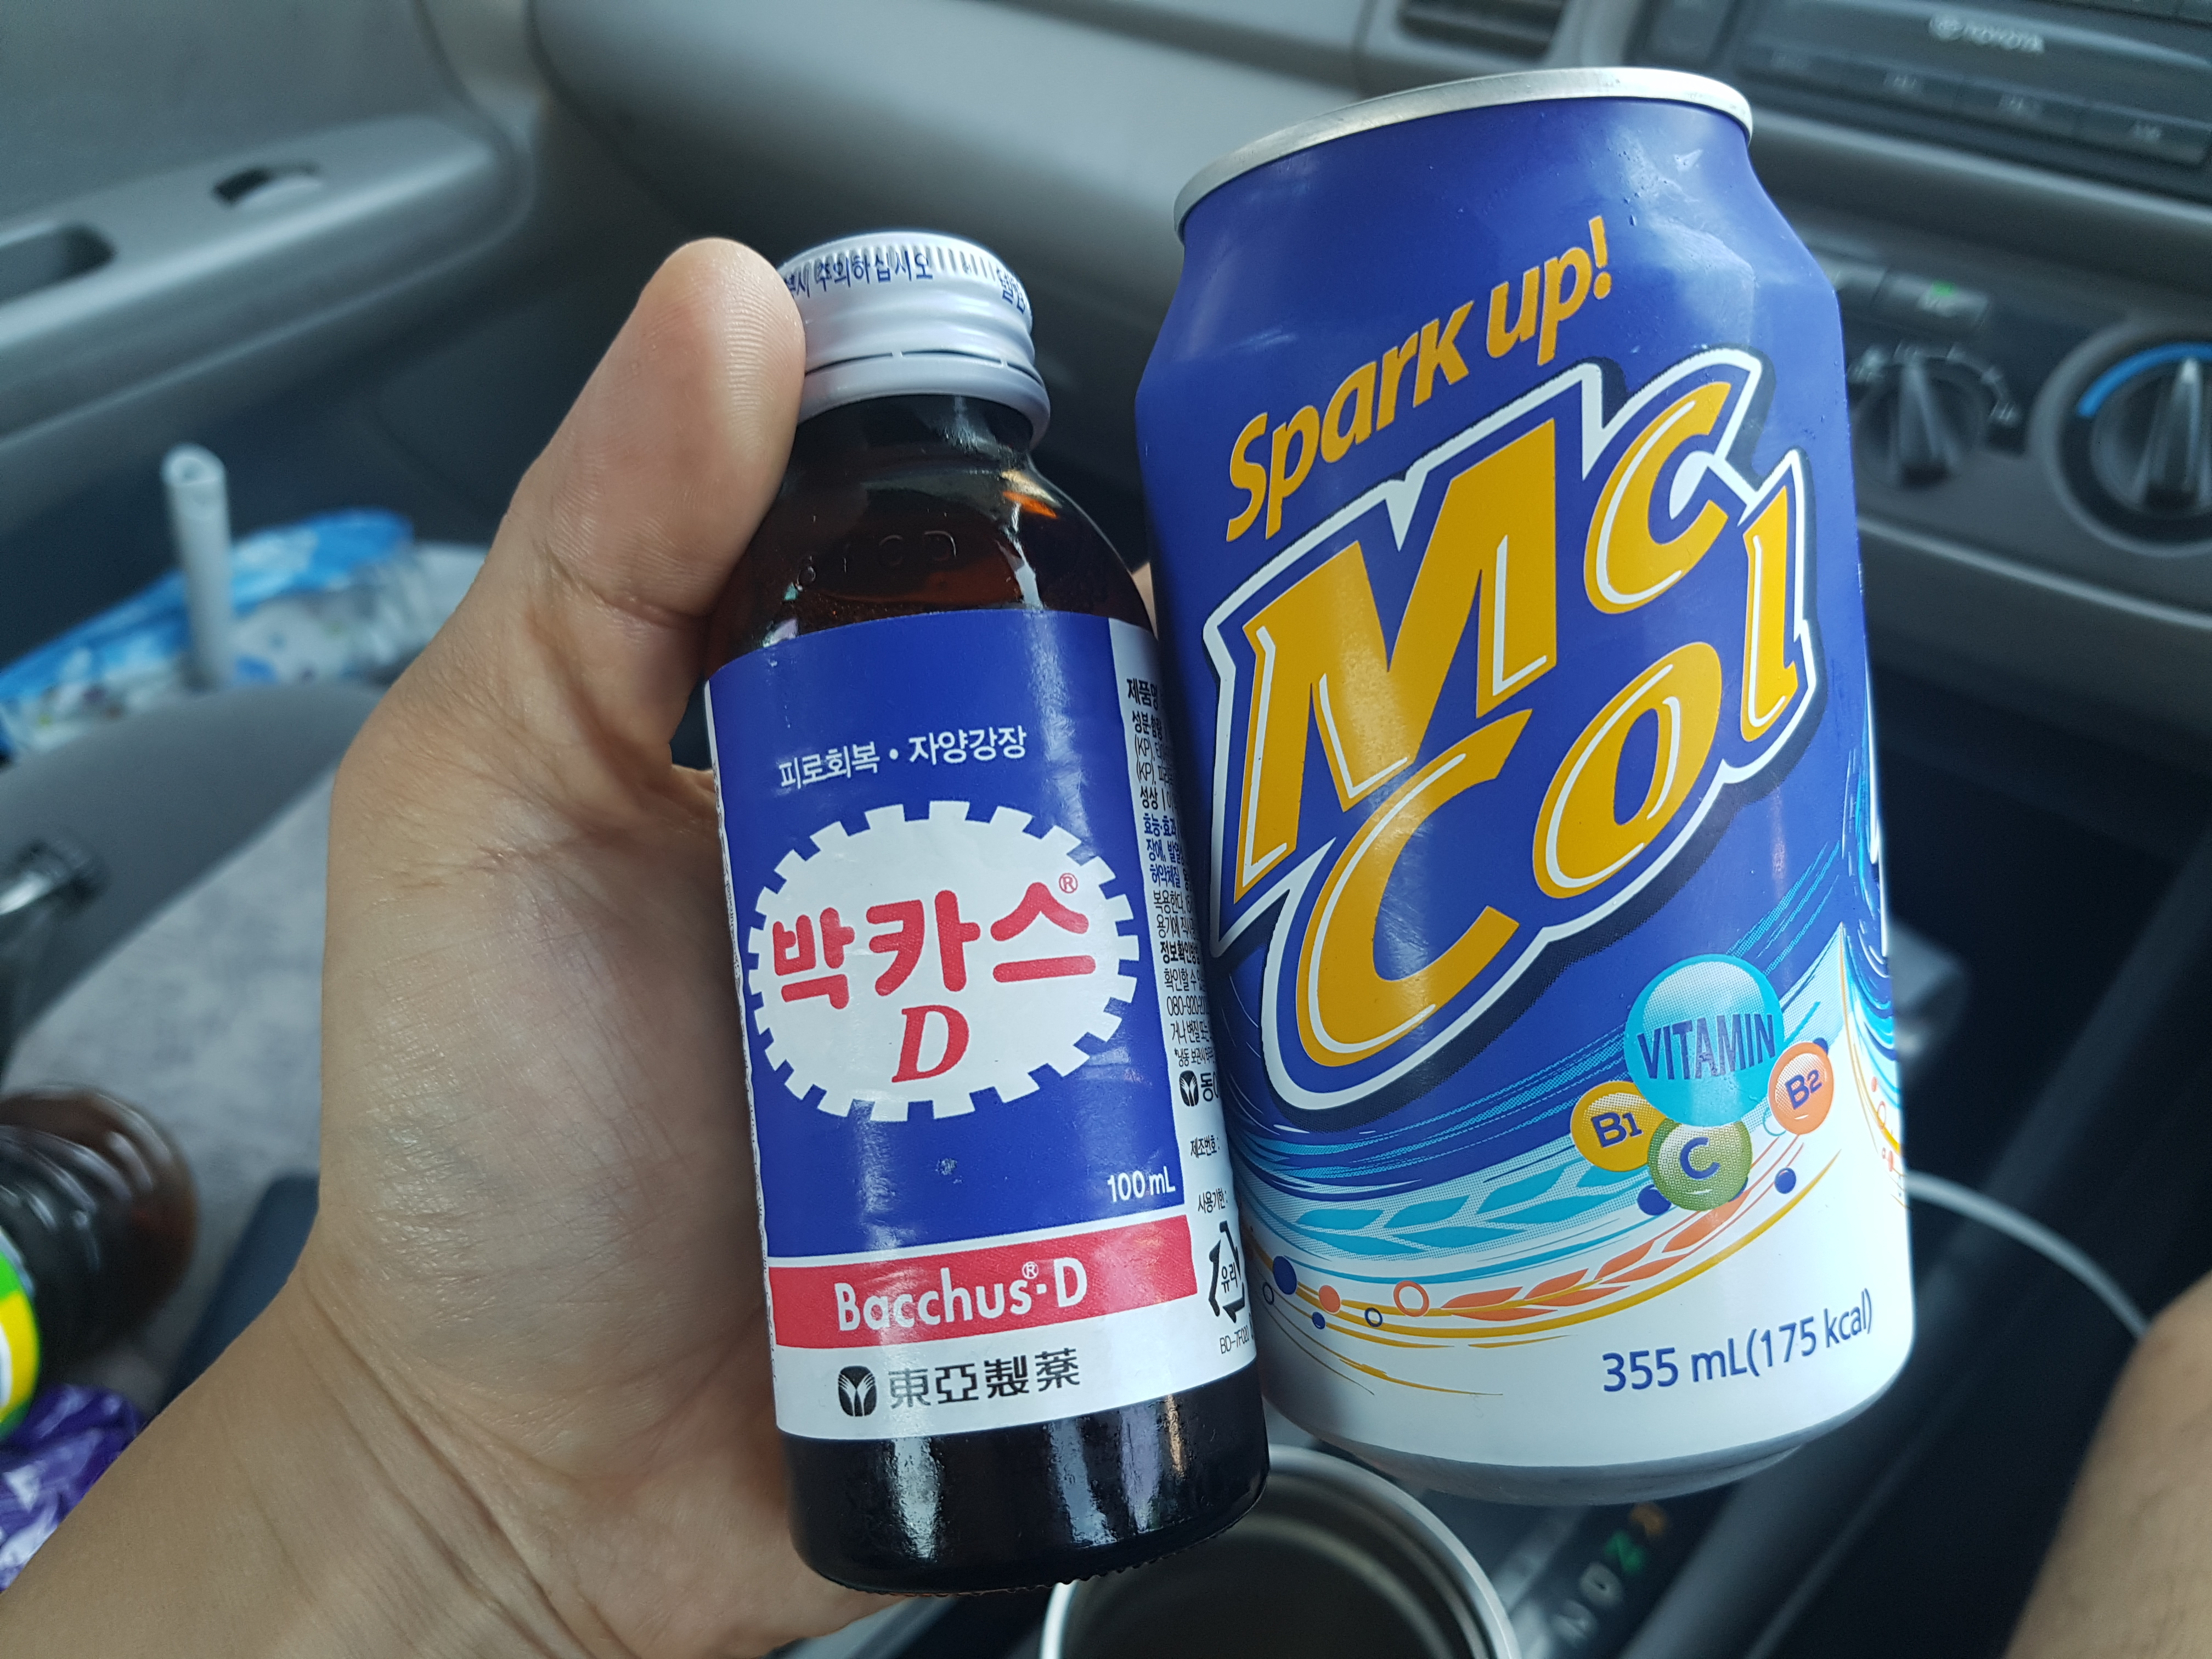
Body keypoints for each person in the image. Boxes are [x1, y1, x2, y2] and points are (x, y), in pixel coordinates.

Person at [0, 239, 2202, 1657]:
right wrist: (430, 1476)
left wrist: (445, 1512)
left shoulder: (1037, 560)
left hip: (1115, 1326)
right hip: (878, 1366)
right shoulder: (812, 595)